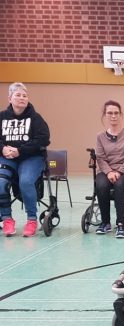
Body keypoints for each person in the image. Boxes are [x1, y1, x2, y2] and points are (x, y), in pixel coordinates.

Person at [0, 82, 50, 237]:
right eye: (18, 95)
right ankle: (6, 218)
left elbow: (43, 139)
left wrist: (19, 151)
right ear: (10, 98)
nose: (22, 98)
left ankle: (31, 219)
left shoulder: (35, 118)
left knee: (26, 181)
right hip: (7, 158)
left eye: (24, 95)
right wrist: (3, 148)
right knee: (0, 182)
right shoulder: (2, 117)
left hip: (31, 157)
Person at [94, 100, 124, 239]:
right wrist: (109, 172)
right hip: (107, 170)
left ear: (120, 115)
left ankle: (121, 224)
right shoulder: (100, 136)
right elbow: (100, 158)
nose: (113, 116)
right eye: (110, 113)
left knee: (120, 185)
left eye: (116, 113)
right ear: (105, 115)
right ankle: (105, 222)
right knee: (101, 185)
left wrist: (119, 171)